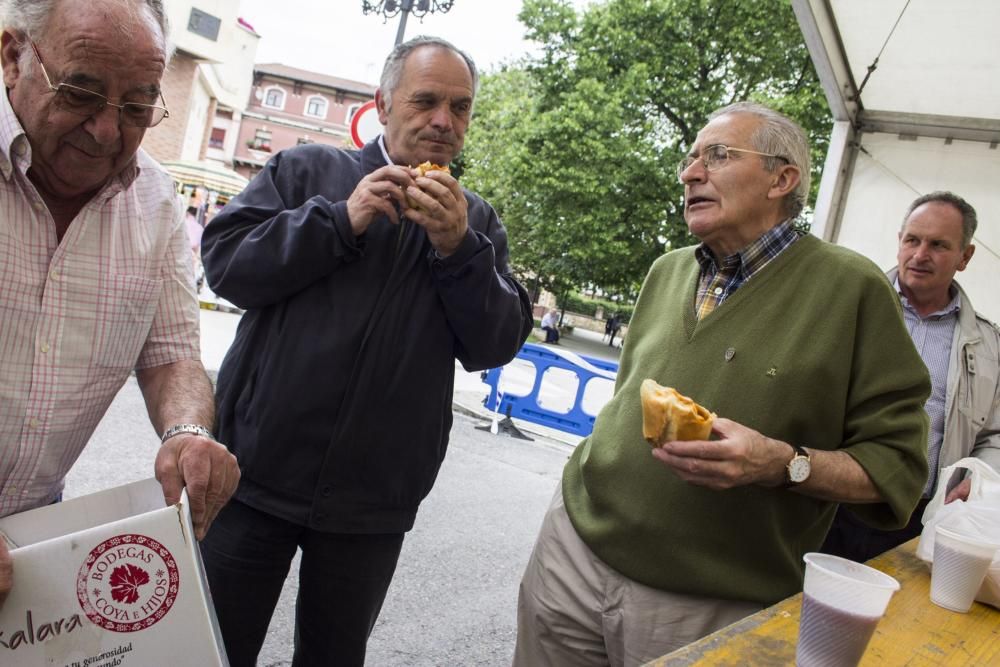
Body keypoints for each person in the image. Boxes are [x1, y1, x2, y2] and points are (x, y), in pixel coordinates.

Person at [512, 102, 931, 666]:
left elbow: (897, 468)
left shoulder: (852, 288)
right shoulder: (668, 269)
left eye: (717, 155)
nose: (689, 173)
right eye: (689, 159)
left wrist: (782, 463)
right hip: (572, 552)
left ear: (782, 179)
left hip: (709, 604)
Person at [198, 35, 532, 666]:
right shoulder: (307, 171)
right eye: (426, 100)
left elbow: (494, 345)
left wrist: (460, 251)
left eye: (460, 108)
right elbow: (225, 266)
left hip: (372, 503)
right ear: (383, 104)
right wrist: (338, 220)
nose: (443, 120)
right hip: (254, 474)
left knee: (333, 657)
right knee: (212, 649)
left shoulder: (477, 222)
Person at [0, 0, 240, 609]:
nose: (107, 130)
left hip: (32, 535)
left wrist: (187, 432)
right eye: (80, 92)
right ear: (12, 57)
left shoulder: (157, 201)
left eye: (136, 106)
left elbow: (172, 355)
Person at [823, 191, 1000, 562]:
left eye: (938, 245)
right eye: (912, 240)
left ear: (965, 257)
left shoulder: (989, 345)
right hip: (828, 502)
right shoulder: (843, 306)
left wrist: (980, 479)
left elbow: (996, 434)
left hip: (917, 519)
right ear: (899, 240)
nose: (920, 255)